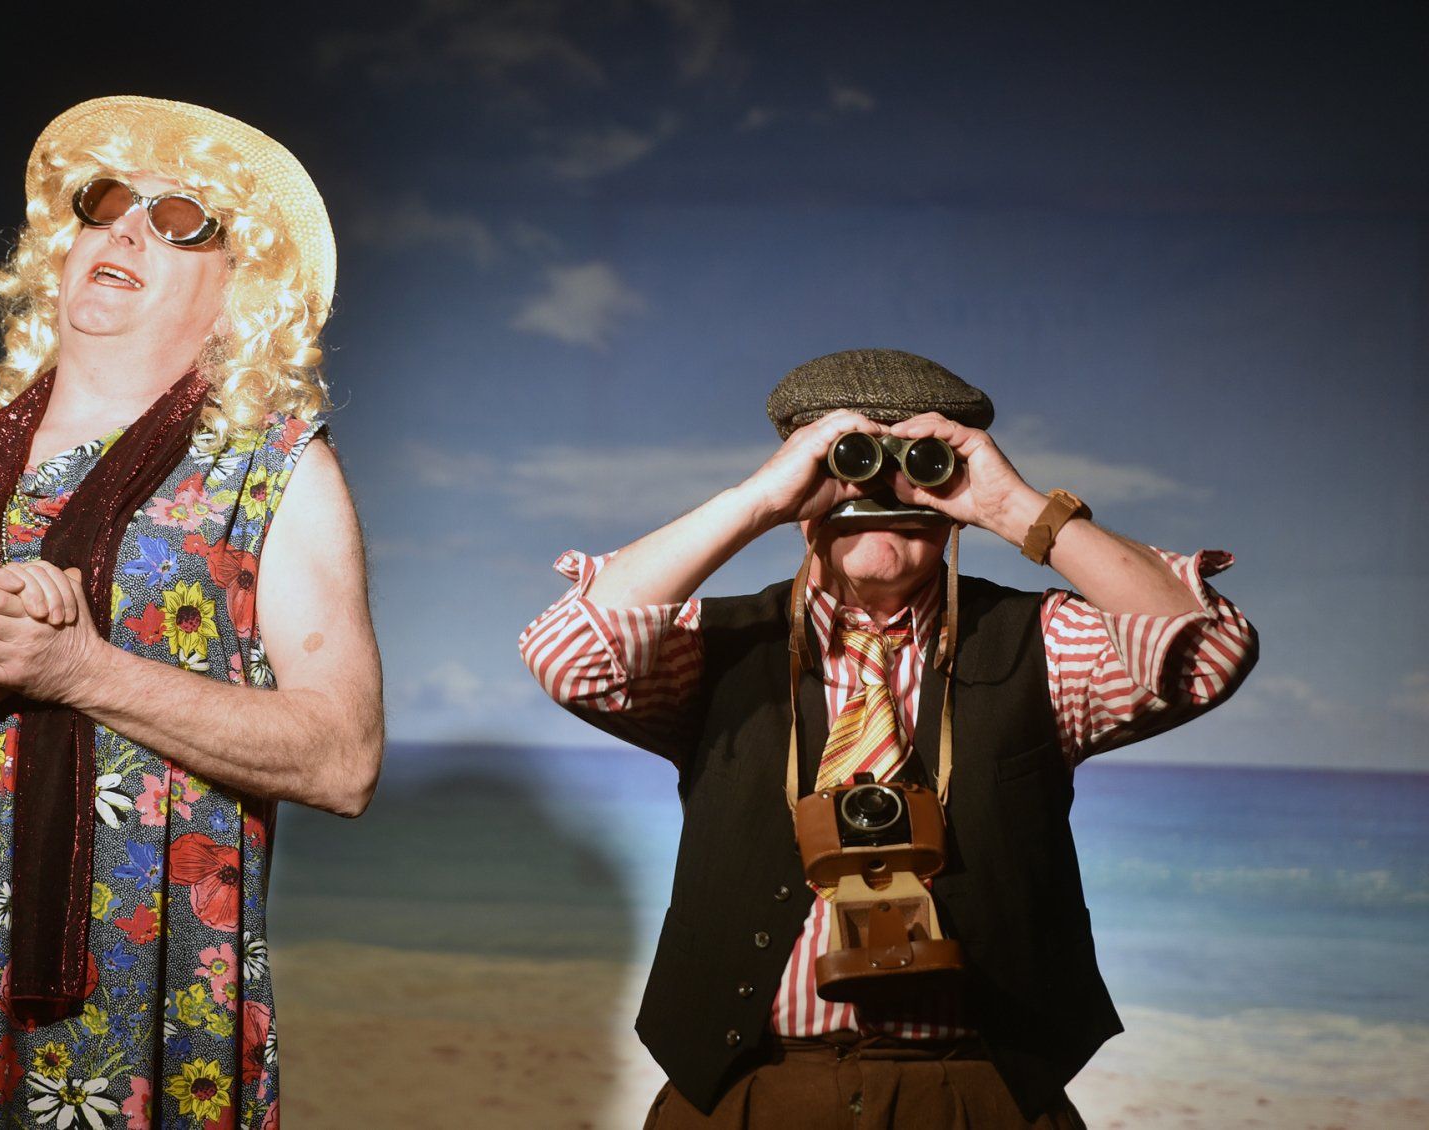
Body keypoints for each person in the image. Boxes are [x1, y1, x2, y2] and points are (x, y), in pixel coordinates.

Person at [0, 95, 383, 1130]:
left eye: (181, 217)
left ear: (240, 287)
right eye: (106, 201)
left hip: (150, 1012)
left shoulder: (275, 474)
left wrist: (81, 670)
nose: (127, 227)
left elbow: (343, 756)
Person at [518, 349, 1258, 1128]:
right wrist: (758, 501)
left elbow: (1207, 655)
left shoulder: (1041, 643)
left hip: (981, 1090)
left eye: (918, 465)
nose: (879, 491)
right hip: (747, 1087)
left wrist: (1014, 509)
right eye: (849, 462)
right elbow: (570, 658)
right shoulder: (717, 647)